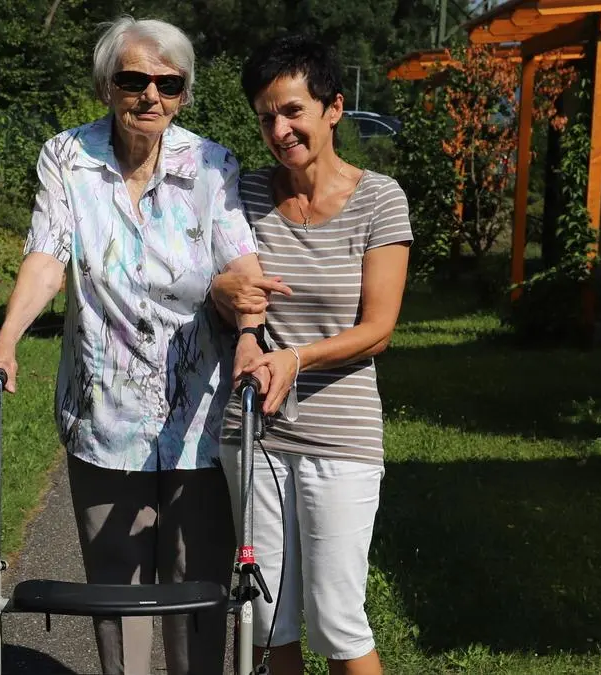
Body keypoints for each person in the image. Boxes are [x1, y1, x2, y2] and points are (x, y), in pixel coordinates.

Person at [0, 16, 283, 675]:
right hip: (103, 414)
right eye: (133, 79)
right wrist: (6, 341)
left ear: (184, 93)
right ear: (106, 85)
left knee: (197, 596)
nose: (150, 95)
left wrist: (249, 336)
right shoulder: (68, 158)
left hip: (200, 418)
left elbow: (242, 268)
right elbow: (47, 256)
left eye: (168, 84)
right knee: (116, 599)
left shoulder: (212, 164)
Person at [212, 34, 413, 675]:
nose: (280, 130)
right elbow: (224, 289)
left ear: (334, 108)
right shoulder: (242, 194)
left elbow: (378, 329)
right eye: (266, 117)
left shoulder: (380, 198)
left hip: (341, 437)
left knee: (337, 621)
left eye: (293, 111)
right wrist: (223, 295)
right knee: (265, 616)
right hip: (253, 432)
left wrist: (295, 359)